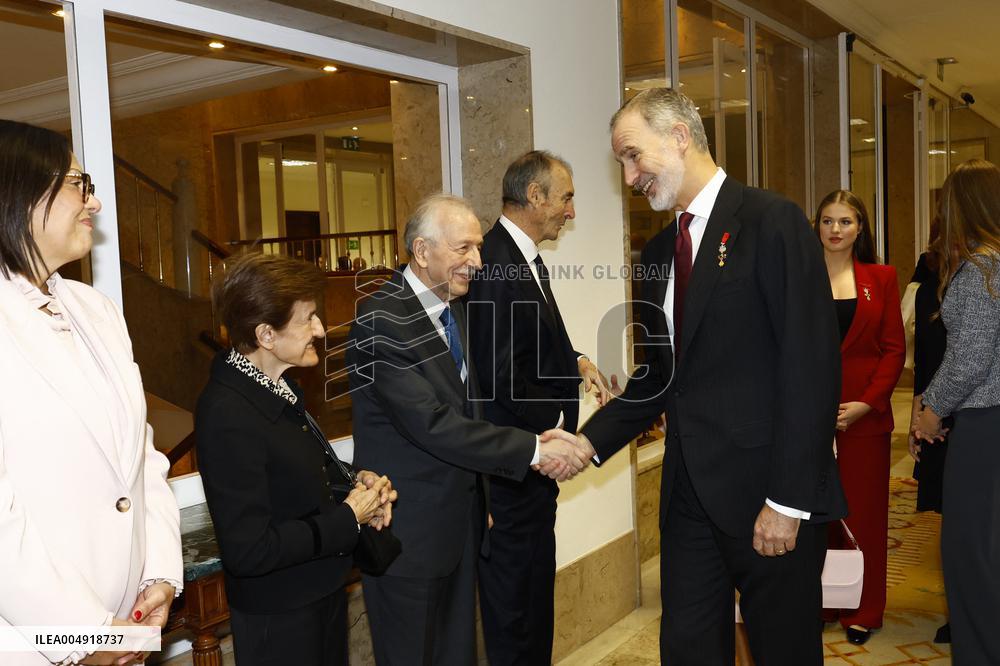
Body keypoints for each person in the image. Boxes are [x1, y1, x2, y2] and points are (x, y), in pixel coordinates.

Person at [574, 89, 846, 664]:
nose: (629, 177)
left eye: (632, 156)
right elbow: (659, 376)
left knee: (785, 651)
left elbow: (811, 366)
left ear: (679, 136)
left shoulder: (772, 222)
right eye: (621, 162)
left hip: (768, 493)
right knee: (688, 648)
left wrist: (789, 501)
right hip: (688, 500)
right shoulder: (657, 253)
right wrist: (586, 442)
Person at [347, 193, 591, 665]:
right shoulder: (381, 321)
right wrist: (533, 450)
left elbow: (471, 409)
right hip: (407, 537)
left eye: (478, 247)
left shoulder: (452, 308)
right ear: (422, 252)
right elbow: (434, 425)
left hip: (462, 527)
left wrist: (485, 496)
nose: (478, 262)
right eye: (464, 248)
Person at [0, 119, 182, 665]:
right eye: (79, 184)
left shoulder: (96, 309)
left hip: (125, 624)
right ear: (18, 193)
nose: (94, 203)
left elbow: (141, 458)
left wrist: (158, 575)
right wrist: (82, 637)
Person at [195, 253, 397, 666]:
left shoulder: (277, 388)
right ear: (266, 335)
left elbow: (299, 478)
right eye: (308, 319)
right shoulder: (226, 412)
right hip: (281, 618)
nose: (320, 330)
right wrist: (348, 518)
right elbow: (249, 550)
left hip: (320, 595)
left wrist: (358, 486)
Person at [465, 150, 609, 665]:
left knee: (533, 601)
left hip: (533, 473)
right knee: (514, 611)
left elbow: (532, 341)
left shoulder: (525, 256)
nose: (571, 212)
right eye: (565, 198)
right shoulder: (493, 262)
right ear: (534, 196)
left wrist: (577, 360)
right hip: (514, 471)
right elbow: (499, 373)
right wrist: (558, 431)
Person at [914, 159, 1000, 665]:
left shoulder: (981, 271)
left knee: (971, 556)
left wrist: (932, 410)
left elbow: (969, 359)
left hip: (985, 426)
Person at [813, 190, 905, 645]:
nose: (835, 230)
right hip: (810, 415)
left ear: (860, 228)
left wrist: (868, 403)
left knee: (863, 515)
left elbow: (893, 349)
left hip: (864, 418)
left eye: (845, 221)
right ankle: (823, 601)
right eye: (827, 221)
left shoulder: (881, 278)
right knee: (815, 516)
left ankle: (863, 609)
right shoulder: (800, 275)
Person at [907, 222, 951, 644]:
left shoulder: (984, 281)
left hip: (976, 414)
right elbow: (924, 361)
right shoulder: (926, 291)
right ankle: (960, 609)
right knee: (952, 519)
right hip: (936, 418)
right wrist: (917, 419)